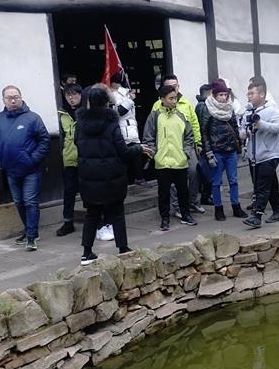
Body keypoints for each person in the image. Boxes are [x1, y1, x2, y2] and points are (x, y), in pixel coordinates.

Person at [76, 84, 147, 264]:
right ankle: (123, 248)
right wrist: (139, 148)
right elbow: (124, 151)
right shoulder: (111, 124)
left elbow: (78, 145)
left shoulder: (80, 125)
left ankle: (86, 253)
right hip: (112, 176)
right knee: (117, 213)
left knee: (92, 214)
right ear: (107, 103)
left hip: (89, 177)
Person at [0, 84, 50, 251]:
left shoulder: (33, 118)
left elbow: (44, 140)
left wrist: (33, 159)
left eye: (16, 97)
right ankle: (29, 230)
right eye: (9, 98)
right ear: (3, 100)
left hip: (31, 169)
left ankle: (31, 236)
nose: (13, 100)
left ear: (21, 98)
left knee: (30, 201)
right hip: (10, 169)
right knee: (18, 202)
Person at [144, 84, 198, 230]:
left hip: (180, 160)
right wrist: (154, 153)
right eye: (171, 98)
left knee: (183, 191)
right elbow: (148, 137)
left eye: (175, 98)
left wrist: (186, 153)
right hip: (162, 161)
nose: (174, 101)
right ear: (162, 99)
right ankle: (165, 218)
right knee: (164, 193)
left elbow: (189, 136)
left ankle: (186, 215)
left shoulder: (181, 115)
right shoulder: (155, 116)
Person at [152, 74, 205, 217]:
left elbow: (193, 123)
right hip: (167, 148)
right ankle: (176, 207)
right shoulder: (157, 106)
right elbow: (153, 129)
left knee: (194, 172)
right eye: (169, 86)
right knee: (172, 181)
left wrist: (198, 142)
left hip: (187, 146)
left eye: (175, 85)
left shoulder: (186, 103)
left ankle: (193, 201)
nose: (173, 88)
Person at [240, 77, 279, 229]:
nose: (249, 96)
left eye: (252, 93)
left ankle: (257, 216)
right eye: (248, 94)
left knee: (261, 186)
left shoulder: (272, 110)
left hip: (269, 154)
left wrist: (261, 124)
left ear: (262, 94)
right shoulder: (247, 112)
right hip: (254, 155)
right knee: (269, 184)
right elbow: (241, 132)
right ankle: (277, 211)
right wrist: (245, 133)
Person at [201, 79, 248, 221]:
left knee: (233, 180)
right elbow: (204, 132)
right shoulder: (207, 109)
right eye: (220, 95)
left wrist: (240, 145)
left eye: (225, 94)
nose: (223, 97)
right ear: (214, 95)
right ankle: (218, 209)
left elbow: (234, 127)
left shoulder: (229, 108)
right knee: (216, 182)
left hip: (231, 150)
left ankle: (236, 206)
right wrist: (208, 152)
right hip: (216, 151)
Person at [56, 83, 83, 237]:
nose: (71, 98)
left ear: (81, 95)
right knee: (69, 191)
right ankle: (68, 222)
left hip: (85, 158)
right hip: (69, 158)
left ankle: (96, 219)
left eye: (74, 94)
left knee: (88, 190)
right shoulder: (62, 114)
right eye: (68, 95)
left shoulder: (86, 112)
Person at [194, 83, 215, 207]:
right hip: (205, 144)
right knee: (207, 171)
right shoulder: (203, 107)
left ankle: (206, 195)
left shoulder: (200, 105)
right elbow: (203, 127)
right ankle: (206, 196)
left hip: (203, 143)